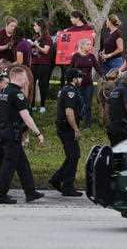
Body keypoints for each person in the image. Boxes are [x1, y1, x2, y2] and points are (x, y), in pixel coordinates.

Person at [0, 66, 45, 204]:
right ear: (21, 78)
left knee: (22, 163)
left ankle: (30, 192)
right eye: (26, 78)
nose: (27, 80)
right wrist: (38, 133)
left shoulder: (5, 91)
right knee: (9, 165)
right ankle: (0, 195)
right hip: (12, 132)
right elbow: (26, 116)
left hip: (6, 131)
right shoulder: (17, 94)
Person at [49, 68, 84, 196]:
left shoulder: (66, 89)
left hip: (64, 127)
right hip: (67, 128)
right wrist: (76, 129)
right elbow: (69, 112)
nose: (81, 79)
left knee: (72, 156)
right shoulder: (70, 92)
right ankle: (67, 186)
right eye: (79, 77)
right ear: (74, 79)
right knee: (74, 155)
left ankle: (57, 179)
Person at [70, 38, 102, 128]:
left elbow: (98, 68)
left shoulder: (91, 56)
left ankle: (88, 124)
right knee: (77, 104)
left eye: (90, 44)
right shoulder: (75, 56)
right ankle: (77, 123)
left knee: (88, 105)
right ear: (82, 45)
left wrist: (104, 76)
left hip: (88, 84)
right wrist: (70, 81)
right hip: (77, 85)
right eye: (88, 44)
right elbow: (70, 69)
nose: (90, 46)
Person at [106, 70, 127, 146]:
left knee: (115, 153)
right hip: (123, 129)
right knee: (126, 154)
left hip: (112, 128)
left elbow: (107, 107)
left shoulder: (115, 90)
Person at [30, 19, 53, 113]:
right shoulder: (36, 36)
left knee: (42, 84)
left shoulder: (47, 37)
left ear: (40, 26)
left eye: (35, 25)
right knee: (32, 84)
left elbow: (46, 51)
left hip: (44, 64)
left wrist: (37, 46)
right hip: (34, 63)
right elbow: (33, 50)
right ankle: (32, 105)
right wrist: (32, 47)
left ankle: (43, 105)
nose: (34, 27)